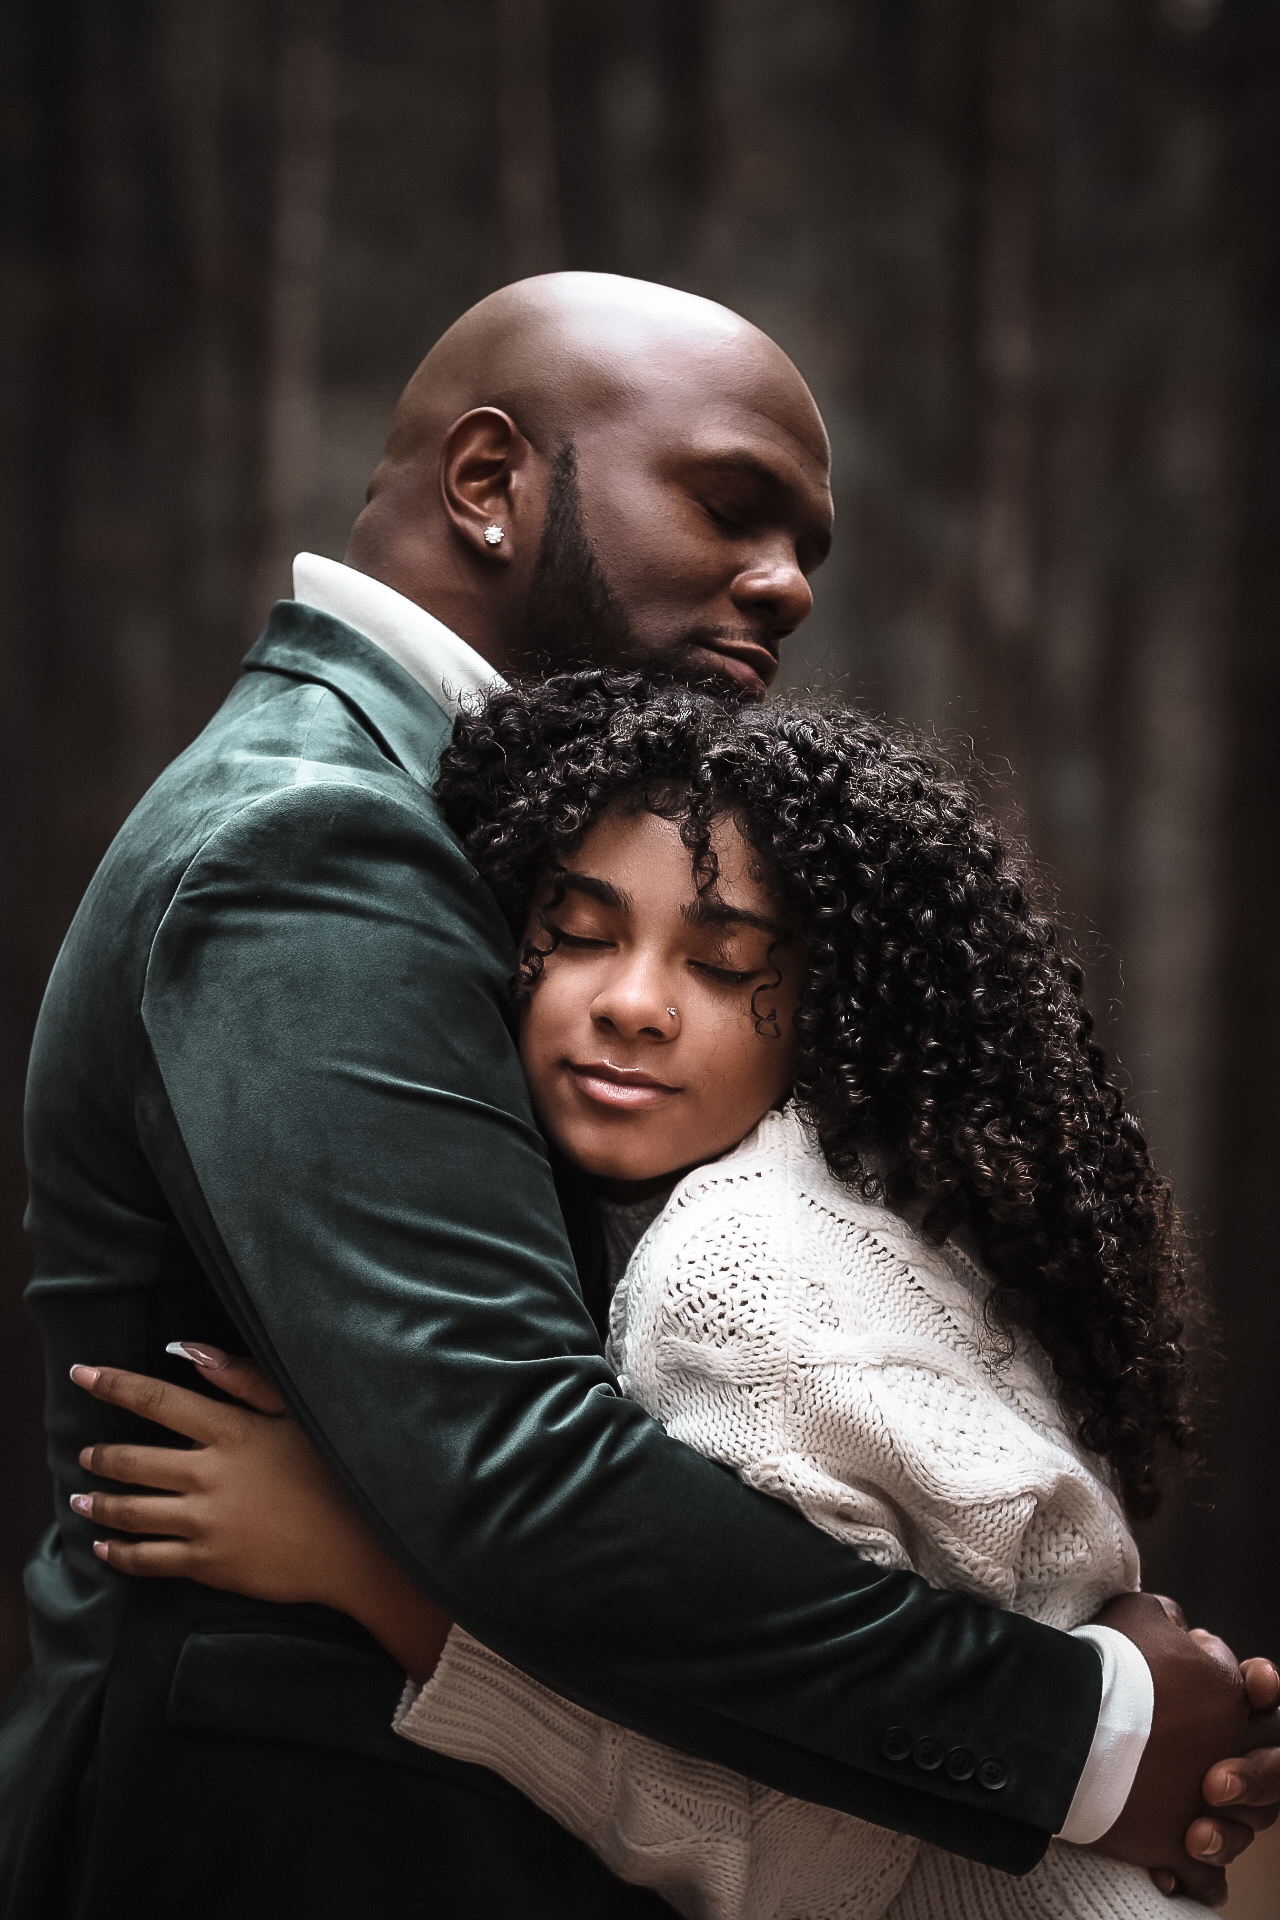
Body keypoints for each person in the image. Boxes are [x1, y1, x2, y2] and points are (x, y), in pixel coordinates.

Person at [2, 273, 1275, 1920]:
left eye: (808, 542)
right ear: (488, 485)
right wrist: (1090, 1731)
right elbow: (522, 1477)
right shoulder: (312, 837)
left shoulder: (437, 811)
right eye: (732, 508)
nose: (789, 586)